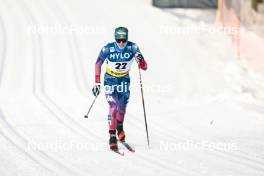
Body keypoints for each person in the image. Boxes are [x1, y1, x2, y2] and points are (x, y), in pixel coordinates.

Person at [92, 27, 148, 151]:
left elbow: (145, 67)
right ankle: (112, 136)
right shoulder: (108, 48)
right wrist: (97, 83)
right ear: (115, 38)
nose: (122, 42)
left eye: (124, 39)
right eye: (119, 39)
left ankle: (120, 128)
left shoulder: (133, 48)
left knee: (122, 107)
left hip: (124, 80)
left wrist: (141, 61)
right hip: (110, 80)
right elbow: (98, 63)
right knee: (113, 105)